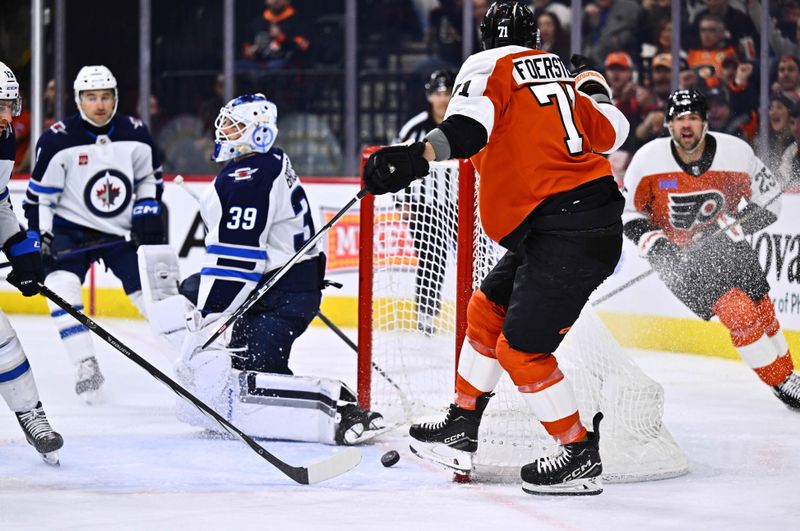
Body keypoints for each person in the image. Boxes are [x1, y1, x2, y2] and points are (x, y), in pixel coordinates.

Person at [364, 1, 630, 495]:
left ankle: (577, 453)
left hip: (565, 231)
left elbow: (467, 131)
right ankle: (462, 424)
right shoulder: (561, 78)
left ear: (486, 36)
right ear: (536, 36)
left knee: (523, 351)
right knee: (485, 310)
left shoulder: (489, 64)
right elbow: (615, 132)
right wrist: (595, 89)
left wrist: (416, 155)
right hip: (569, 225)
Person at [139, 93, 385, 445]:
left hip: (280, 295)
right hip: (286, 287)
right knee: (238, 367)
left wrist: (208, 318)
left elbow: (239, 263)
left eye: (235, 126)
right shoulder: (271, 162)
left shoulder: (246, 177)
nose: (223, 131)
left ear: (259, 134)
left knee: (254, 379)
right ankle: (332, 406)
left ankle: (342, 412)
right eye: (225, 123)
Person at [622, 89, 800, 411]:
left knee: (761, 308)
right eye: (679, 119)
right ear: (668, 125)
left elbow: (771, 201)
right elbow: (629, 214)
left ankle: (788, 375)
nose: (686, 125)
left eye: (693, 118)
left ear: (705, 123)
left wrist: (734, 226)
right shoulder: (647, 160)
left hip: (728, 245)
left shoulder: (735, 153)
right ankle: (780, 380)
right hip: (678, 261)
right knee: (738, 312)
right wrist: (658, 246)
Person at [23, 65, 164, 403]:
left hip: (119, 234)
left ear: (115, 98)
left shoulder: (136, 132)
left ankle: (190, 362)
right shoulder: (57, 139)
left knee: (152, 296)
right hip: (70, 231)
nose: (98, 105)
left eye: (105, 96)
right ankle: (85, 363)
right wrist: (38, 238)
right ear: (78, 100)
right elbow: (40, 199)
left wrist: (147, 206)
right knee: (61, 287)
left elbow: (149, 179)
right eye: (90, 98)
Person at [0, 61, 63, 464]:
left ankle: (31, 415)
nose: (7, 117)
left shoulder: (4, 138)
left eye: (10, 106)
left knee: (2, 343)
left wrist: (18, 248)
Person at [392, 70, 457, 335]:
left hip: (458, 205)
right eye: (437, 93)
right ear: (429, 96)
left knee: (477, 260)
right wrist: (402, 202)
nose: (442, 99)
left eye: (447, 92)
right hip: (424, 206)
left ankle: (484, 314)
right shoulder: (414, 128)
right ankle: (426, 316)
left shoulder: (463, 123)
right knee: (433, 259)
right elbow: (397, 164)